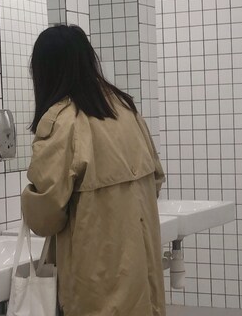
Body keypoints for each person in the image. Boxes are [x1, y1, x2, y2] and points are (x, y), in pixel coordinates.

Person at [21, 24, 166, 316]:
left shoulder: (63, 122)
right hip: (141, 274)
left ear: (46, 72)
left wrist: (28, 197)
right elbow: (156, 181)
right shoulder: (126, 110)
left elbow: (46, 217)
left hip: (96, 280)